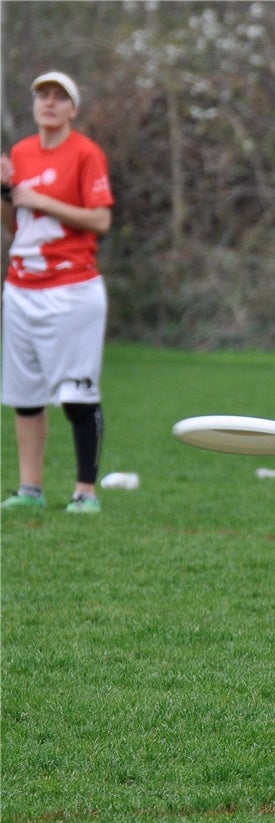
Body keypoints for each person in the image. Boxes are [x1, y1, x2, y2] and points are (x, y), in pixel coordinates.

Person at [1, 72, 113, 515]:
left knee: (76, 395)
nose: (48, 102)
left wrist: (41, 199)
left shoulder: (86, 153)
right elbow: (14, 223)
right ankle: (30, 489)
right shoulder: (22, 153)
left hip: (73, 289)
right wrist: (5, 192)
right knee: (25, 396)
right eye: (42, 95)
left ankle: (85, 492)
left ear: (73, 109)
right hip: (21, 288)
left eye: (59, 96)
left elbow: (100, 221)